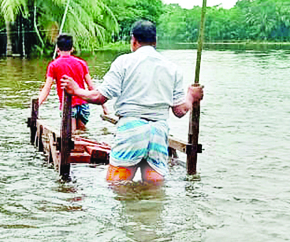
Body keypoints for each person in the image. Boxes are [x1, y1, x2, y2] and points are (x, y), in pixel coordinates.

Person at [60, 20, 204, 182]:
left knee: (117, 187)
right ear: (155, 41)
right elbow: (179, 111)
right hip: (158, 132)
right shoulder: (172, 68)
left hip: (131, 130)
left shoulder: (124, 62)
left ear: (133, 40)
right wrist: (191, 96)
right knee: (153, 194)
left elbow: (99, 97)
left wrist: (76, 90)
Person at [36, 34, 106, 131]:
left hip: (68, 105)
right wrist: (104, 107)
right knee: (82, 132)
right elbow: (91, 86)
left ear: (57, 49)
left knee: (71, 135)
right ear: (72, 48)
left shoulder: (54, 65)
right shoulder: (81, 63)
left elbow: (46, 89)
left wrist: (37, 104)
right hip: (83, 104)